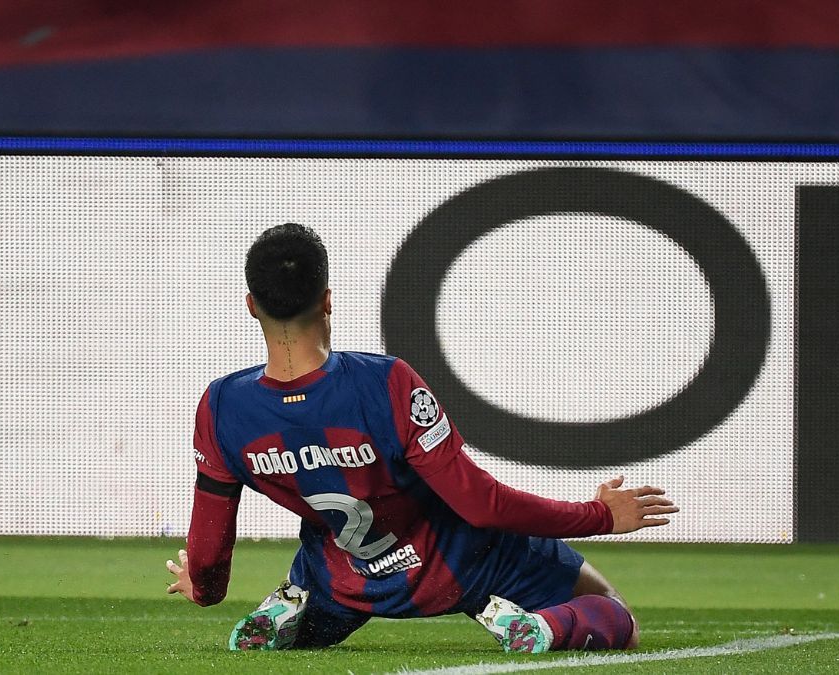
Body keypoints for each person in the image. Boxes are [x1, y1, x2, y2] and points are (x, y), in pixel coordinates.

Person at [164, 223, 679, 653]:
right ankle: (536, 627)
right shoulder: (386, 383)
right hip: (463, 567)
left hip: (348, 576)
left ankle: (293, 606)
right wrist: (601, 515)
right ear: (327, 300)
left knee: (328, 579)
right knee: (616, 613)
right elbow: (480, 504)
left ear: (251, 306)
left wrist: (205, 588)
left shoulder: (221, 404)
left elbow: (208, 543)